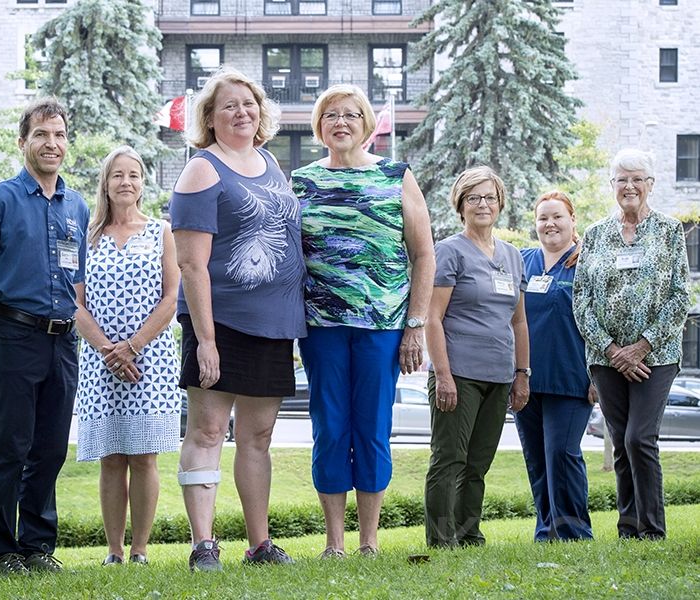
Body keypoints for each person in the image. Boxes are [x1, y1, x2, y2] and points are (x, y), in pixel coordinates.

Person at [169, 67, 306, 571]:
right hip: (220, 323)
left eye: (249, 104)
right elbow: (191, 265)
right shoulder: (201, 170)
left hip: (273, 325)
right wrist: (206, 340)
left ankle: (260, 545)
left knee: (258, 437)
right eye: (229, 105)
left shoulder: (268, 161)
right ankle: (204, 545)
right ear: (210, 117)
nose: (241, 112)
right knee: (208, 431)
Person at [290, 84, 435, 558]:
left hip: (383, 327)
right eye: (331, 115)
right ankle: (334, 542)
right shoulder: (301, 182)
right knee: (330, 427)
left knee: (372, 427)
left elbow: (424, 255)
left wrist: (415, 326)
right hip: (321, 327)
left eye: (351, 114)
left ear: (367, 124)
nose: (341, 122)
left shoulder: (396, 176)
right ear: (319, 127)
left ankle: (369, 541)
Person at [0, 98, 90, 574]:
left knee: (50, 449)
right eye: (41, 135)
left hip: (63, 341)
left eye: (59, 135)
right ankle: (3, 551)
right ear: (22, 142)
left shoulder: (77, 206)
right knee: (10, 448)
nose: (52, 143)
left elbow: (76, 280)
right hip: (13, 335)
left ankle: (37, 547)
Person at [573, 148, 690, 540]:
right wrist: (612, 351)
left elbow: (680, 297)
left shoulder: (670, 231)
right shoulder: (595, 235)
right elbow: (581, 299)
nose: (629, 186)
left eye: (637, 178)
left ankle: (652, 529)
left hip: (656, 357)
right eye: (622, 179)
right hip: (605, 360)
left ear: (650, 184)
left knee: (640, 438)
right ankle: (629, 527)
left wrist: (641, 347)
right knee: (622, 442)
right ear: (612, 185)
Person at [73, 146, 180, 566]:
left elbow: (171, 299)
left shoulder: (160, 231)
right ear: (106, 182)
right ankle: (114, 551)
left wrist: (133, 346)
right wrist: (109, 351)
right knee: (111, 457)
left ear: (142, 183)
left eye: (133, 175)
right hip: (100, 362)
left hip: (149, 359)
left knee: (143, 455)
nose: (126, 182)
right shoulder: (86, 236)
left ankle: (140, 550)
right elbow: (75, 302)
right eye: (118, 175)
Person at [423, 166, 530, 548]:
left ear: (500, 203)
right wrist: (444, 375)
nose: (482, 204)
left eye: (489, 197)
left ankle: (469, 534)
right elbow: (432, 318)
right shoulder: (450, 251)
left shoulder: (513, 256)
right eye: (473, 198)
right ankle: (441, 539)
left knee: (478, 462)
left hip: (499, 375)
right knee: (449, 458)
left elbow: (519, 321)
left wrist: (522, 373)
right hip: (459, 373)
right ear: (461, 205)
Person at [517, 190, 594, 542]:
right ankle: (546, 530)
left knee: (562, 454)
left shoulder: (587, 262)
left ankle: (574, 532)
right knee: (537, 459)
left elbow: (600, 320)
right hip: (526, 380)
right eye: (543, 218)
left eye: (557, 216)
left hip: (571, 378)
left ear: (572, 220)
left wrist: (597, 375)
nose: (550, 224)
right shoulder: (522, 261)